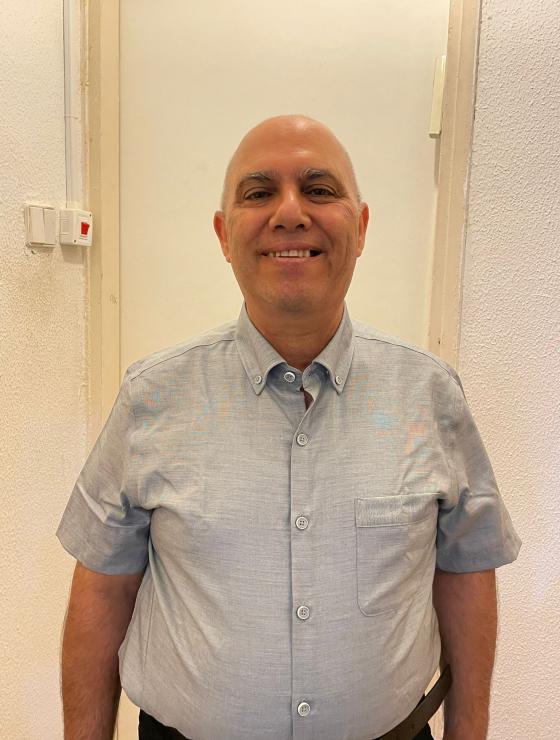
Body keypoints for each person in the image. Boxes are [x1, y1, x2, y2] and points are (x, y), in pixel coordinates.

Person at [57, 114, 521, 740]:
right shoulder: (152, 396)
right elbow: (102, 588)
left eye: (319, 189)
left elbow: (466, 568)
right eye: (259, 192)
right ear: (224, 234)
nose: (291, 213)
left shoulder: (430, 395)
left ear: (362, 226)